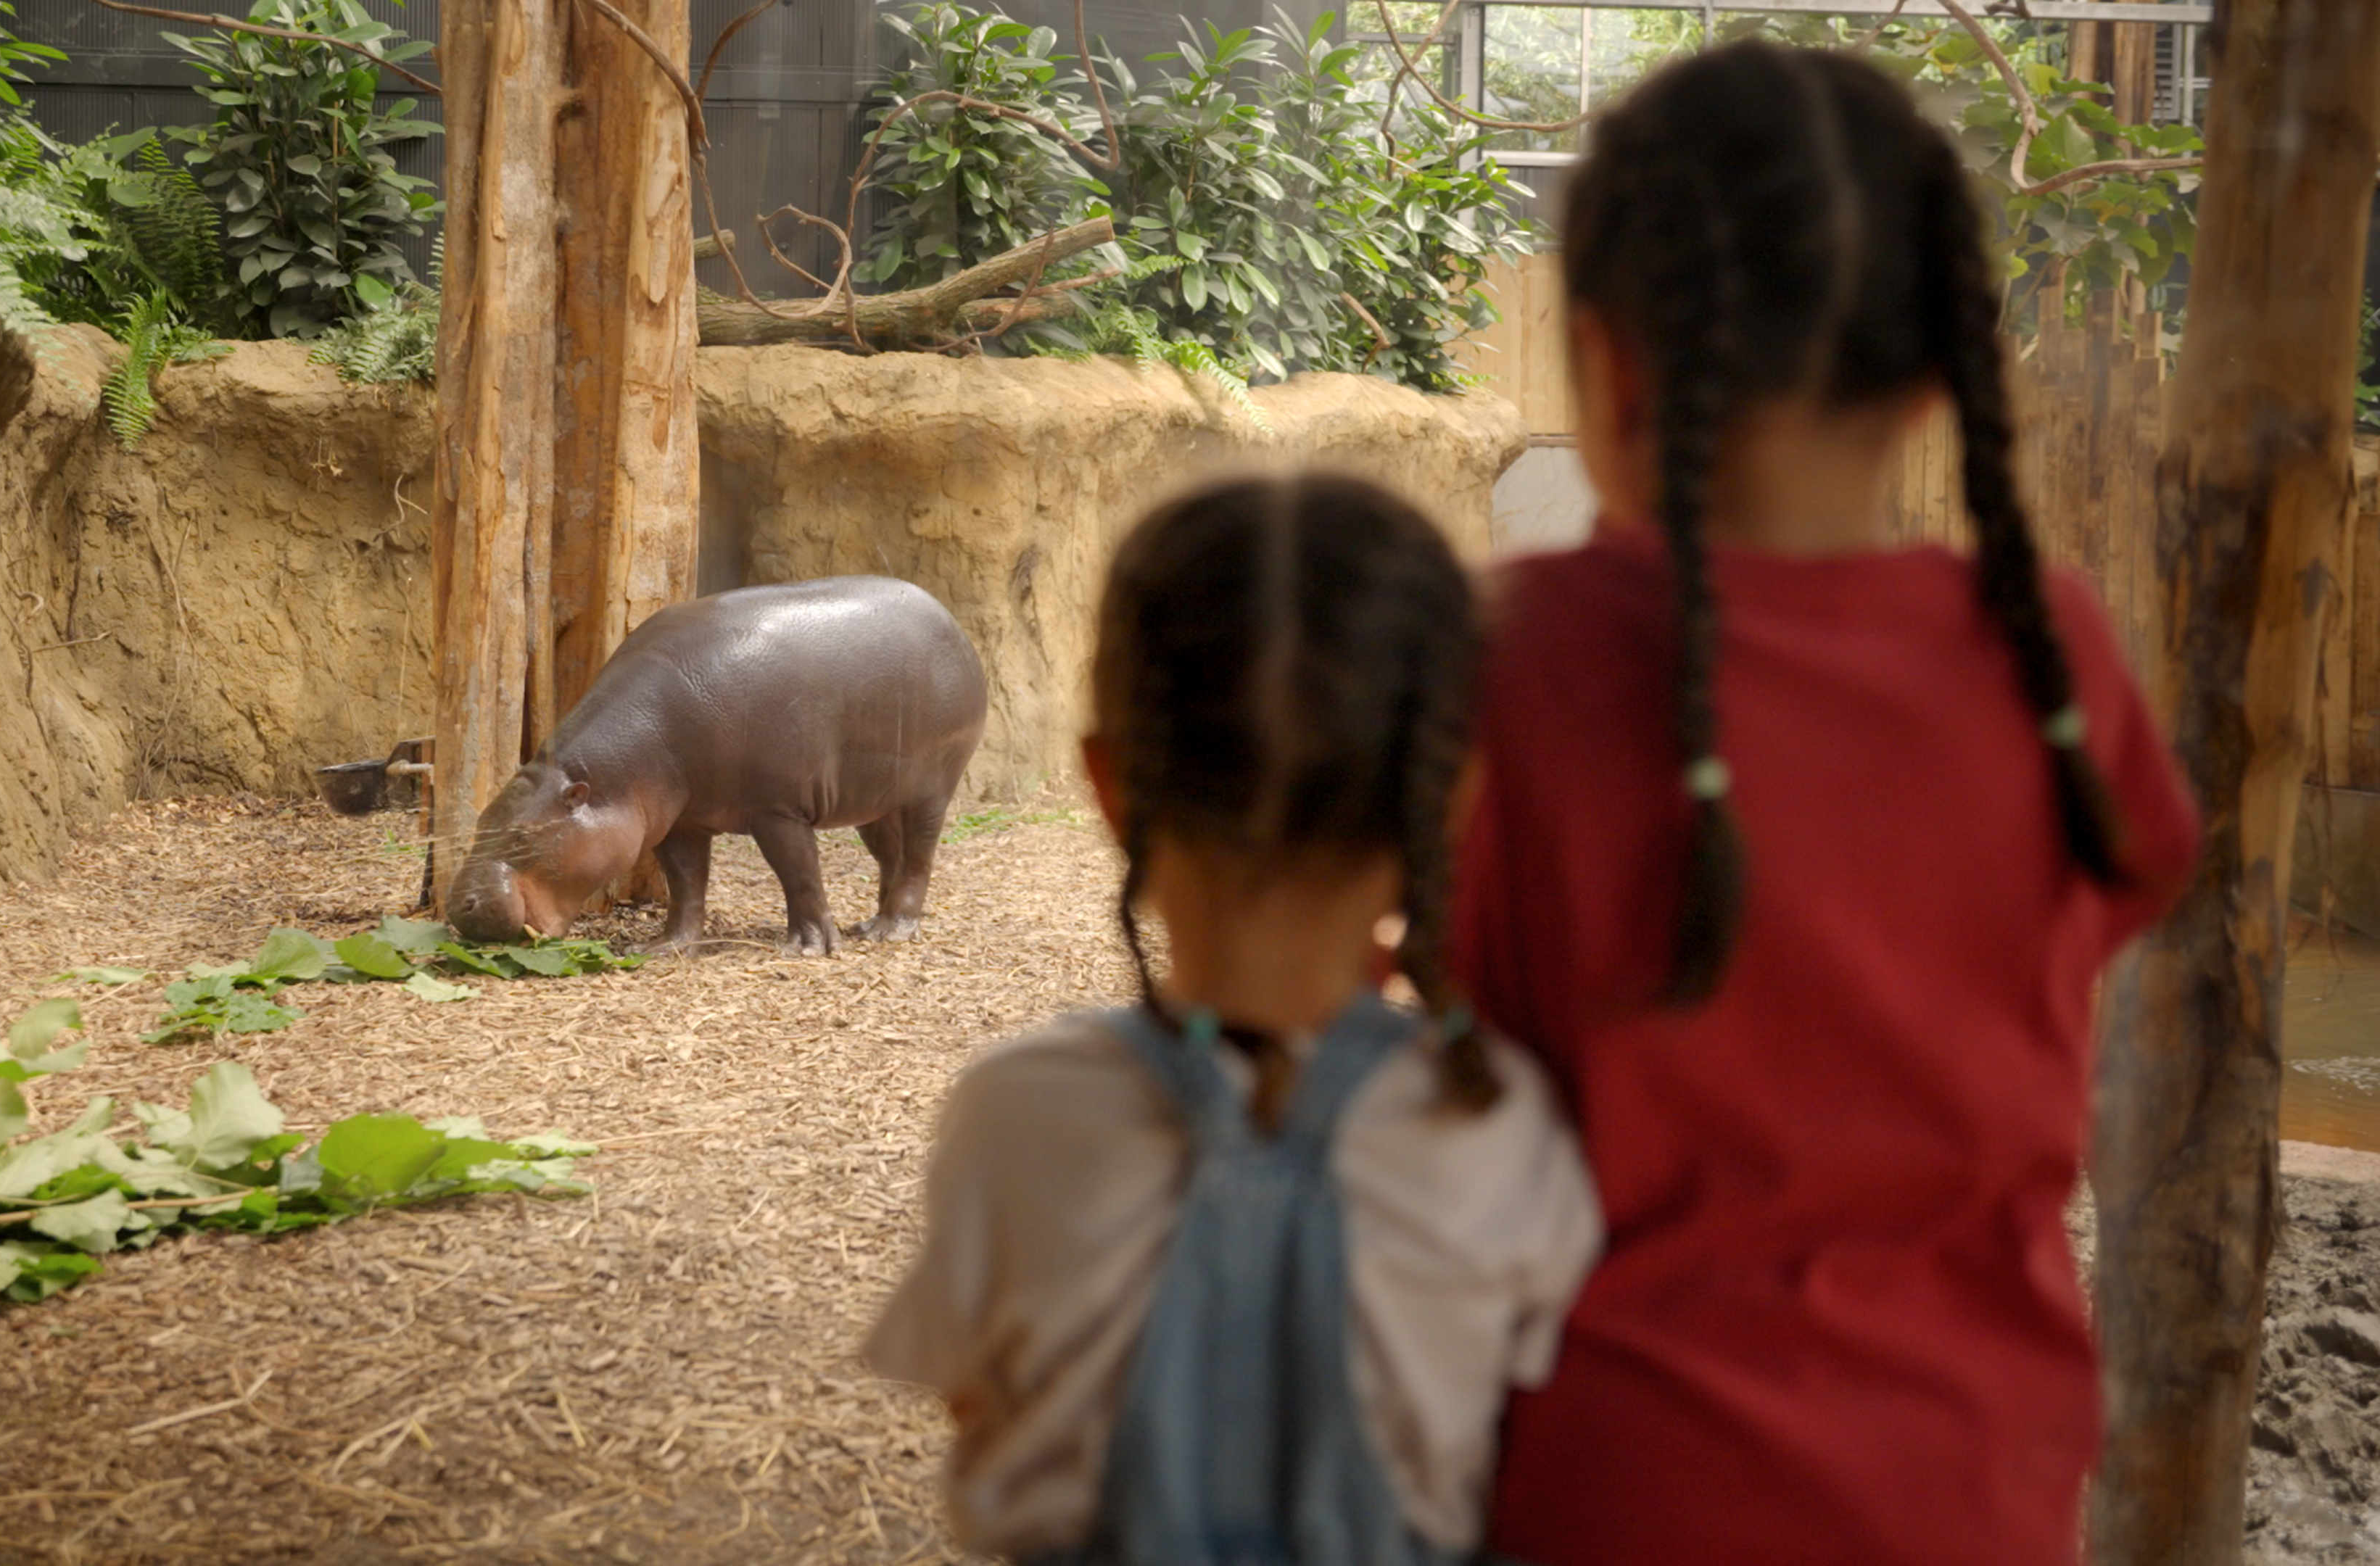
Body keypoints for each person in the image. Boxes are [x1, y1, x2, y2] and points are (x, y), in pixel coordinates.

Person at [1449, 41, 2202, 1566]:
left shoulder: (1517, 655)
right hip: (1975, 1487)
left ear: (1602, 360)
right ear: (1938, 374)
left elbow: (1454, 1015)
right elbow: (2126, 886)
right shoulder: (2052, 652)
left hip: (1612, 1485)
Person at [866, 474, 1600, 1565]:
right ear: (1448, 797)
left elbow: (979, 1406)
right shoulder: (1497, 1125)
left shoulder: (1015, 1116)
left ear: (1113, 790)